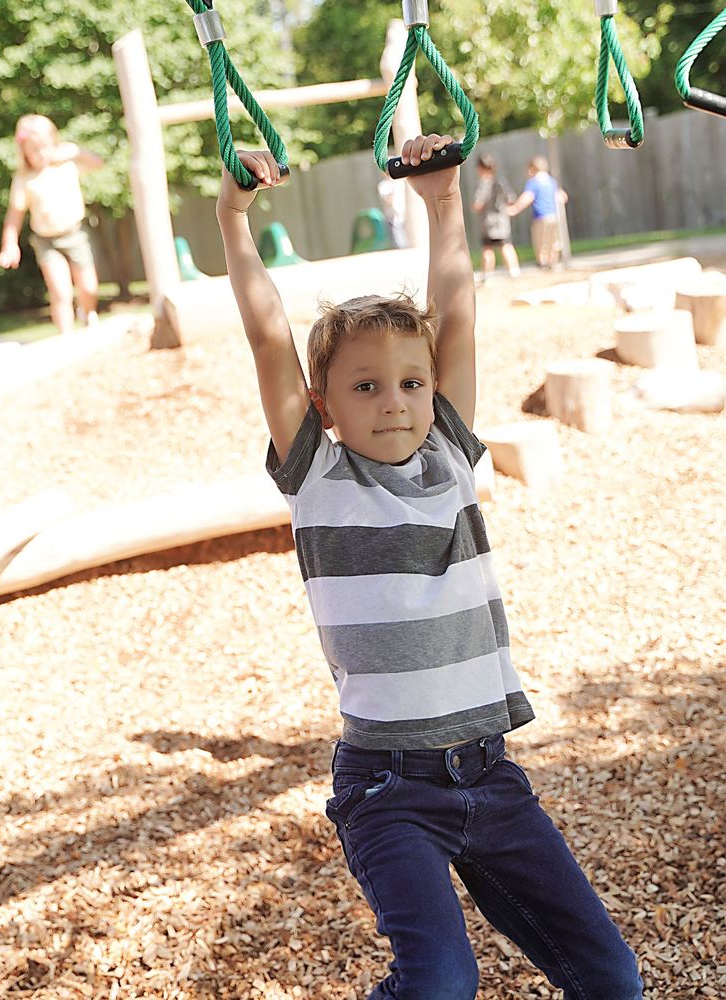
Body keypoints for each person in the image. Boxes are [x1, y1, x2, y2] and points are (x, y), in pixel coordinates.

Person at [216, 133, 642, 1000]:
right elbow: (268, 340)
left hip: (491, 775)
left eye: (412, 382)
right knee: (439, 984)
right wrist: (234, 218)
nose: (395, 401)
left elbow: (457, 312)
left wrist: (444, 202)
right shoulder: (320, 475)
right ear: (324, 403)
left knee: (613, 977)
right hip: (387, 787)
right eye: (364, 386)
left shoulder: (450, 454)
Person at [0, 115, 104, 334]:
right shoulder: (24, 178)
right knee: (60, 293)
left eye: (44, 147)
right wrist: (10, 245)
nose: (40, 154)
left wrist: (76, 151)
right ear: (24, 152)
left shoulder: (67, 165)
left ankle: (87, 313)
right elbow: (14, 216)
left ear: (54, 144)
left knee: (88, 288)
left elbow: (98, 163)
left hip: (75, 234)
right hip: (46, 240)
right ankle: (66, 337)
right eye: (33, 150)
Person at [508, 154, 568, 270]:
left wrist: (514, 209)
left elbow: (528, 197)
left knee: (541, 244)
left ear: (533, 169)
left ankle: (544, 266)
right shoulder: (551, 181)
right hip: (554, 216)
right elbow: (562, 196)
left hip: (541, 217)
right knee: (553, 243)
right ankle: (553, 265)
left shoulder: (534, 182)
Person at [471, 153, 520, 283]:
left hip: (488, 222)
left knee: (488, 249)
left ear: (480, 168)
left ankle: (487, 275)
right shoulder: (500, 182)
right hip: (502, 221)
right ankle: (514, 271)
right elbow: (511, 199)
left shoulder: (482, 185)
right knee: (506, 246)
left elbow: (477, 204)